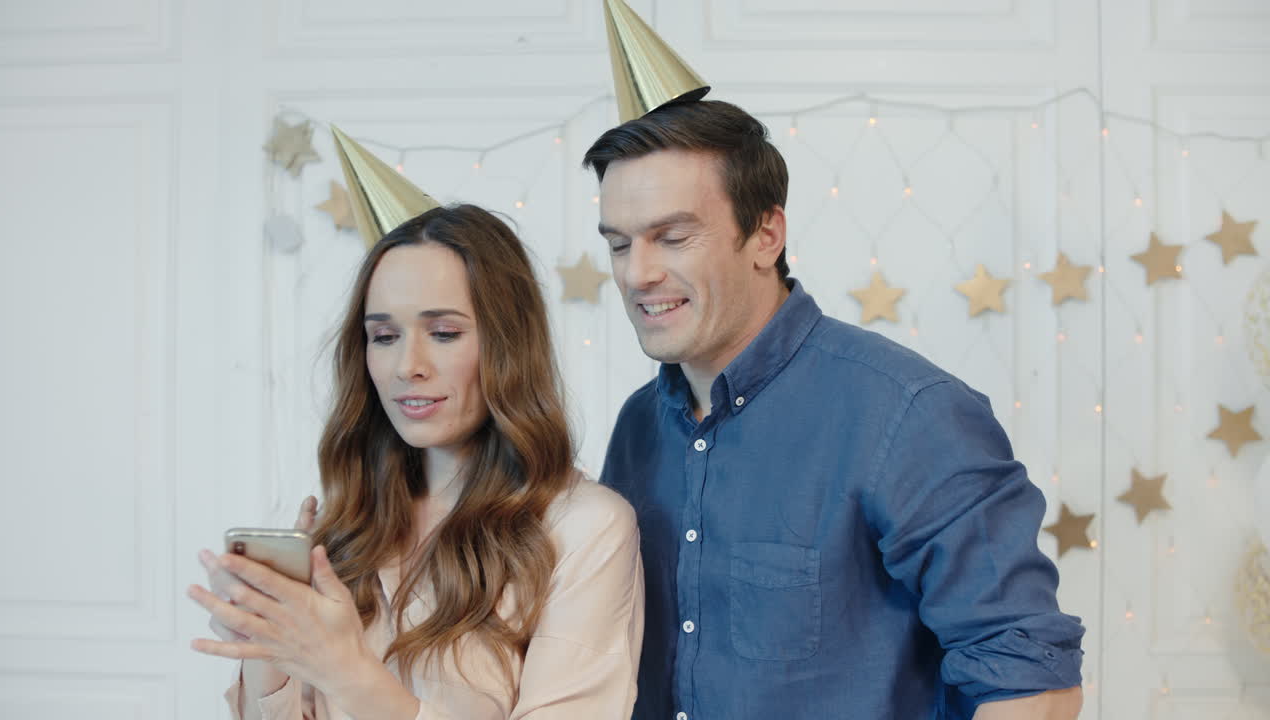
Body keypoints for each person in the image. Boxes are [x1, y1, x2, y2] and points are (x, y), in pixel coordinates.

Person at [585, 99, 1085, 719]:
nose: (638, 274)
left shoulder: (908, 414)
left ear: (766, 235)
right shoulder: (639, 427)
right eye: (618, 244)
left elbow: (1035, 684)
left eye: (674, 237)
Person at [188, 204, 644, 720]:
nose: (408, 367)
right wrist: (270, 647)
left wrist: (347, 672)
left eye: (444, 334)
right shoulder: (348, 527)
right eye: (384, 337)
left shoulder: (586, 529)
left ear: (507, 344)